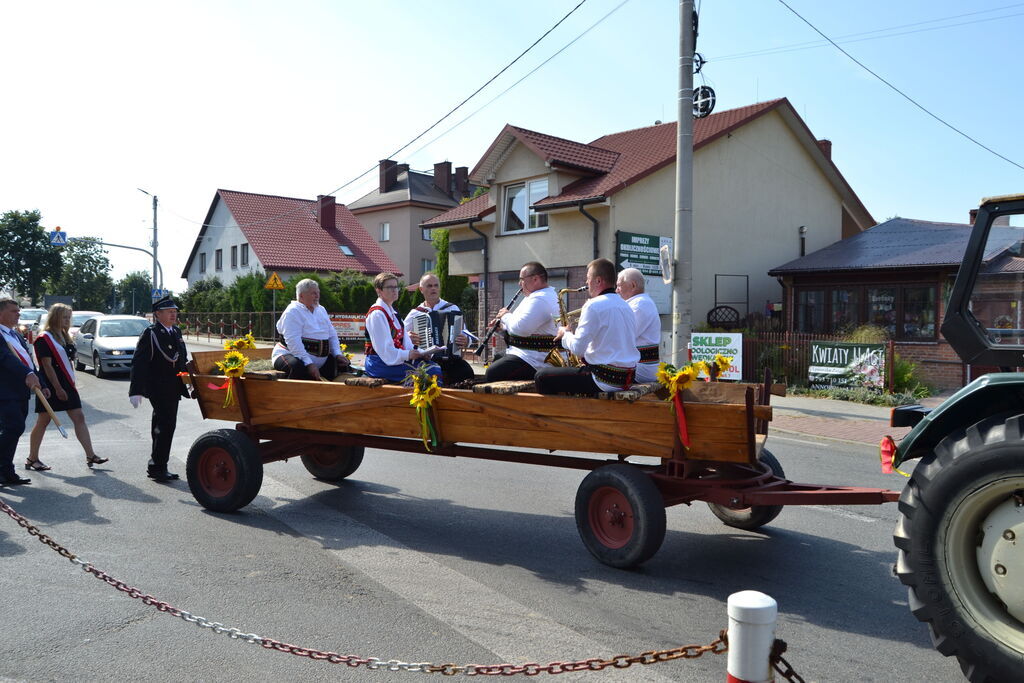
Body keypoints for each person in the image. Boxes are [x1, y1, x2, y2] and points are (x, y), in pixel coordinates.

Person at [535, 258, 639, 395]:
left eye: (588, 278)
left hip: (603, 380)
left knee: (541, 376)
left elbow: (578, 349)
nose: (586, 282)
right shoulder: (626, 306)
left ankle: (560, 415)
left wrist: (565, 334)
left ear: (598, 281)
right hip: (626, 378)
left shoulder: (593, 305)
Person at [27, 303, 107, 471]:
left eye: (69, 317)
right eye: (64, 317)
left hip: (66, 382)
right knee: (44, 420)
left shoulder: (64, 336)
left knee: (79, 417)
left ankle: (91, 454)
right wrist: (57, 388)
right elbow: (47, 366)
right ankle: (32, 458)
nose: (67, 320)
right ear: (55, 317)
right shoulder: (44, 338)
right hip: (50, 383)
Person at [129, 296, 190, 482]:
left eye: (175, 311)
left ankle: (158, 465)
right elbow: (139, 362)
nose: (174, 314)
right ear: (158, 314)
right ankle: (157, 467)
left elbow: (180, 359)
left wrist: (190, 381)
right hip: (158, 387)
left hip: (173, 386)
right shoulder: (151, 333)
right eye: (169, 312)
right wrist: (135, 390)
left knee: (165, 426)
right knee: (164, 426)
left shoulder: (175, 331)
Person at [483, 262, 560, 382]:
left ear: (535, 279)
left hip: (537, 359)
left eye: (522, 279)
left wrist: (505, 316)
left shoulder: (540, 299)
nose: (519, 284)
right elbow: (520, 326)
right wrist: (502, 328)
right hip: (527, 353)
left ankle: (502, 401)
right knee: (498, 357)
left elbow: (521, 329)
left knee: (493, 373)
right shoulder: (534, 297)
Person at [0, 298, 48, 486]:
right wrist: (27, 374)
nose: (18, 314)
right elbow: (5, 359)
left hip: (21, 390)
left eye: (18, 311)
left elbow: (27, 361)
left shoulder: (16, 335)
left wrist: (41, 383)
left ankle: (6, 471)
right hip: (4, 390)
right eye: (14, 311)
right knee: (14, 427)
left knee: (15, 429)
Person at [364, 272, 442, 383]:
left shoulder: (393, 313)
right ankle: (418, 400)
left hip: (394, 359)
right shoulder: (377, 314)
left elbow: (406, 342)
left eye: (396, 287)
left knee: (434, 366)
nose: (394, 290)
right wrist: (408, 354)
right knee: (429, 372)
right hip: (379, 363)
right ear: (379, 290)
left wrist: (421, 353)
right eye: (390, 287)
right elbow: (384, 350)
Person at [404, 273, 477, 386]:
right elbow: (400, 336)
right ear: (421, 289)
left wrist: (466, 340)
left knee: (466, 372)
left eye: (436, 285)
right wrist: (408, 336)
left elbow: (466, 332)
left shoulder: (452, 308)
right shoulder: (415, 313)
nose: (433, 288)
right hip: (426, 359)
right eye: (429, 286)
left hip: (451, 359)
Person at [272, 278, 350, 381]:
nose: (317, 296)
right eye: (313, 293)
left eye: (318, 292)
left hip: (316, 361)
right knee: (297, 367)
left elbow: (332, 334)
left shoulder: (321, 309)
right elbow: (293, 342)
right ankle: (293, 396)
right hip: (288, 354)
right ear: (301, 295)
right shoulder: (293, 311)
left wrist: (337, 354)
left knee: (343, 364)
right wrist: (308, 363)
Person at [615, 267, 661, 384]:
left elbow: (622, 337)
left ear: (633, 285)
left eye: (619, 286)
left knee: (590, 374)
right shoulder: (640, 303)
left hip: (641, 367)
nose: (616, 290)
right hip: (639, 365)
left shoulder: (639, 304)